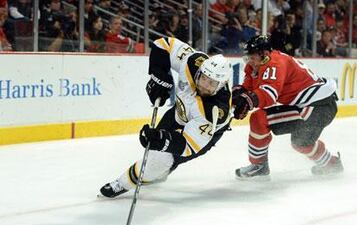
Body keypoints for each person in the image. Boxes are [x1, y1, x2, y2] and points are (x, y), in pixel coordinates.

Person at [100, 37, 233, 198]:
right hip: (178, 114)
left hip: (202, 136)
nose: (204, 85)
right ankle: (159, 172)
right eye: (203, 78)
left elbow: (187, 146)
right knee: (158, 154)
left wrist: (163, 140)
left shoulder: (215, 111)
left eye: (212, 83)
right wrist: (159, 75)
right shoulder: (193, 62)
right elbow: (163, 45)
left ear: (220, 85)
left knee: (161, 159)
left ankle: (122, 183)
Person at [232, 35, 343, 180]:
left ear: (264, 54)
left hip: (319, 106)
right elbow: (248, 89)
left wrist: (247, 101)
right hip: (312, 105)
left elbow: (269, 94)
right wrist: (238, 97)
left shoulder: (275, 64)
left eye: (252, 57)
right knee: (301, 142)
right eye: (248, 57)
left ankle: (259, 167)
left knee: (261, 119)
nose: (249, 61)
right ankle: (331, 164)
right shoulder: (255, 65)